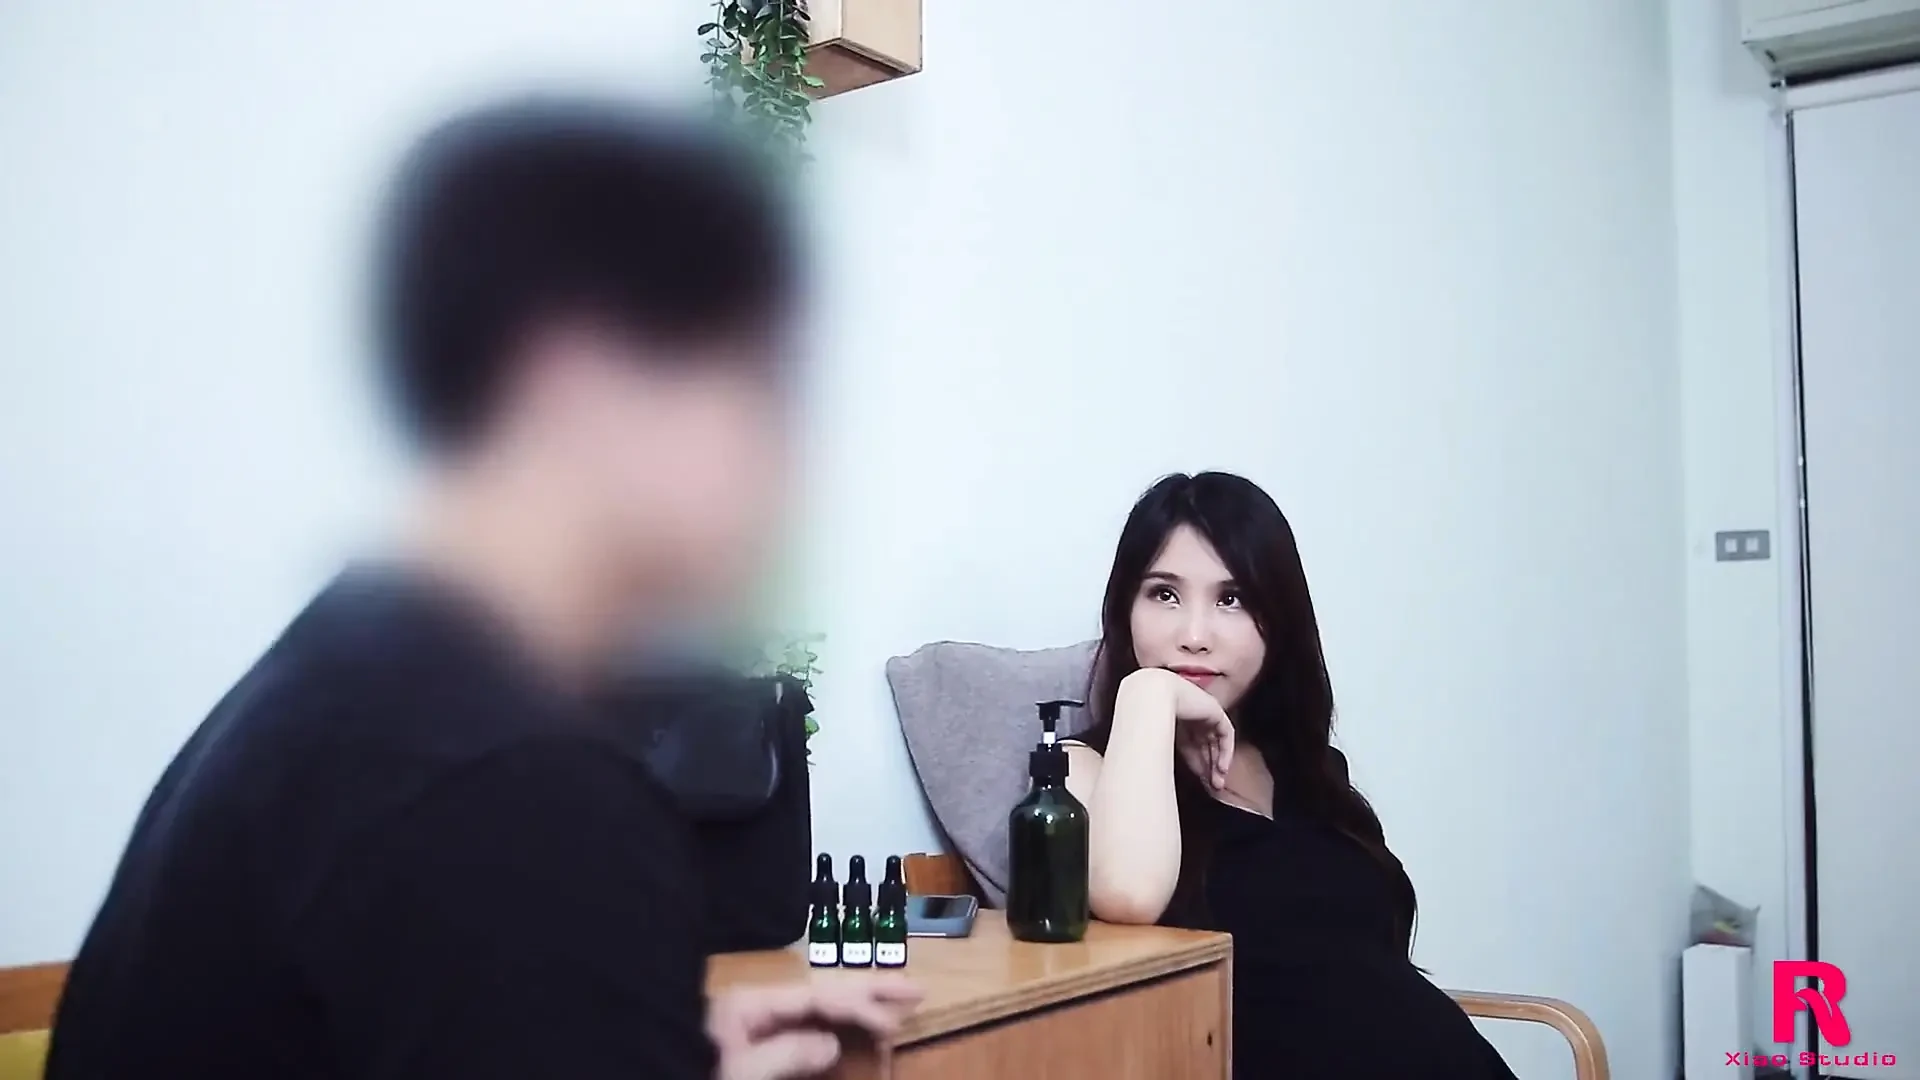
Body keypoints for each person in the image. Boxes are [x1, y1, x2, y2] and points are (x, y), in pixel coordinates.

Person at [47, 97, 917, 1080]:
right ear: (576, 374)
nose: (791, 462)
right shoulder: (517, 791)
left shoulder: (340, 690)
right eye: (761, 380)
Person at [1062, 472, 1516, 1079]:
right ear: (1125, 608)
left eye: (1232, 599)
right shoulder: (1080, 770)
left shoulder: (1307, 770)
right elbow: (1127, 896)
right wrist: (1147, 695)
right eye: (1164, 594)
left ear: (1277, 620)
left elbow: (1371, 968)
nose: (1193, 636)